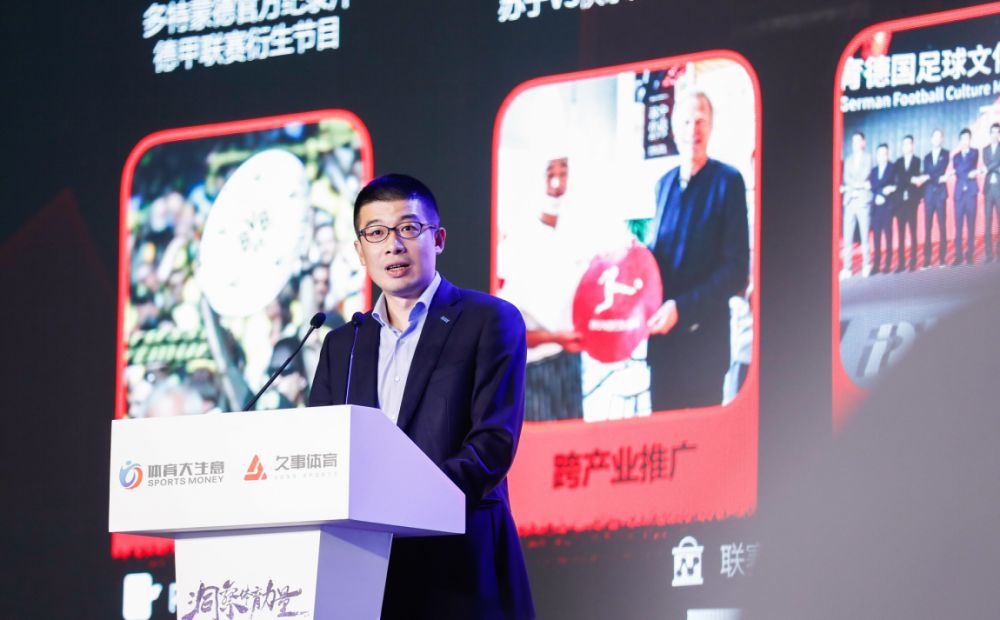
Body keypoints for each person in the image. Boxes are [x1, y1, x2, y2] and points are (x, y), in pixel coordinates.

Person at [309, 174, 535, 619]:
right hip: (362, 570)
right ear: (360, 251)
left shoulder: (489, 320)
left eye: (408, 228)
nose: (393, 245)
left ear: (439, 239)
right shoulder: (343, 345)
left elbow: (492, 443)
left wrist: (406, 504)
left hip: (460, 565)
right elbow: (320, 450)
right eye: (376, 233)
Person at [645, 90, 749, 410]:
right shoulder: (663, 184)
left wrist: (682, 308)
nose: (694, 129)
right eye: (687, 121)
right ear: (674, 129)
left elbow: (736, 270)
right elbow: (659, 257)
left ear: (711, 126)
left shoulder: (727, 181)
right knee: (662, 437)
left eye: (701, 120)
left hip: (703, 350)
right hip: (663, 351)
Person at [840, 131, 873, 279]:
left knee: (864, 236)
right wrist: (858, 186)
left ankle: (866, 265)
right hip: (850, 201)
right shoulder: (848, 160)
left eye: (858, 140)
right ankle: (847, 268)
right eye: (853, 141)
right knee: (847, 237)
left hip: (862, 200)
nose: (855, 144)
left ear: (863, 142)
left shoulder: (868, 158)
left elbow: (865, 175)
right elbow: (846, 178)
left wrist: (852, 187)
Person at [920, 129, 950, 268]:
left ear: (942, 139)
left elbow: (939, 170)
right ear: (931, 139)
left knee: (942, 226)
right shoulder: (926, 157)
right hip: (928, 195)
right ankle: (927, 260)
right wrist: (937, 178)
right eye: (935, 137)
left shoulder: (946, 154)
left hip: (940, 194)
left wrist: (930, 176)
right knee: (928, 227)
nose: (937, 139)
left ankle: (942, 258)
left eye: (939, 137)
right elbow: (930, 174)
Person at [951, 127, 979, 266]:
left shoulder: (974, 152)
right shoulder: (955, 157)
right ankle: (958, 256)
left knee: (971, 225)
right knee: (959, 226)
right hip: (959, 195)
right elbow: (962, 170)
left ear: (970, 139)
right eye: (963, 139)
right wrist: (967, 173)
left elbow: (964, 167)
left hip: (971, 193)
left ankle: (970, 255)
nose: (965, 141)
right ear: (960, 140)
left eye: (967, 138)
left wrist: (958, 171)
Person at [893, 134, 921, 272]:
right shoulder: (898, 162)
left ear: (913, 145)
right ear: (902, 146)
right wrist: (910, 179)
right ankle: (901, 263)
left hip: (912, 202)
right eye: (904, 144)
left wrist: (906, 178)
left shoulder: (917, 161)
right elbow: (898, 179)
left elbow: (911, 178)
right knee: (901, 234)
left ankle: (913, 262)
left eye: (909, 143)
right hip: (900, 203)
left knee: (913, 232)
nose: (907, 146)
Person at [868, 143, 897, 274]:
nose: (882, 156)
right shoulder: (873, 170)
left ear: (888, 154)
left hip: (887, 207)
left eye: (884, 154)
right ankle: (876, 265)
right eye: (879, 154)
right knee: (876, 238)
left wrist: (883, 193)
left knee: (888, 236)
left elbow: (894, 184)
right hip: (876, 208)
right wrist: (880, 192)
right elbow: (873, 186)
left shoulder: (892, 167)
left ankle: (888, 264)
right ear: (877, 155)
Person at [981, 123, 1000, 262]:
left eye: (997, 132)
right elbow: (991, 163)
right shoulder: (985, 149)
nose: (994, 135)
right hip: (988, 189)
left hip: (999, 189)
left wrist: (988, 169)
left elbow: (990, 165)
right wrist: (997, 168)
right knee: (987, 222)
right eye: (992, 132)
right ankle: (988, 254)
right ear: (989, 133)